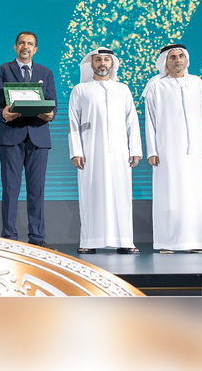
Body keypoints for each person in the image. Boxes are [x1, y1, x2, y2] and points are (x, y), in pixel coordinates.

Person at [68, 47, 141, 254]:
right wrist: (76, 151)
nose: (102, 63)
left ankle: (125, 241)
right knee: (91, 193)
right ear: (91, 64)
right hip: (90, 152)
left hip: (120, 152)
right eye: (98, 59)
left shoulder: (123, 89)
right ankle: (89, 241)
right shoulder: (80, 90)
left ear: (112, 63)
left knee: (122, 194)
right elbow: (73, 122)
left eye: (106, 60)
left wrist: (135, 149)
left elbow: (132, 120)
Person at [0, 31, 57, 248]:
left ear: (35, 49)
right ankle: (9, 238)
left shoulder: (45, 73)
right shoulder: (2, 70)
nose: (25, 47)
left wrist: (50, 114)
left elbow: (52, 103)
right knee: (10, 189)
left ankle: (37, 238)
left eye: (29, 44)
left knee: (37, 190)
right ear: (15, 47)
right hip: (11, 135)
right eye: (21, 43)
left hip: (38, 136)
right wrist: (3, 114)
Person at [143, 44, 202, 253]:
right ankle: (168, 243)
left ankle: (198, 242)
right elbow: (150, 120)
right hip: (167, 150)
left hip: (196, 150)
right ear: (165, 61)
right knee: (171, 193)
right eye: (172, 57)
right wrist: (152, 151)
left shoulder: (196, 83)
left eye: (181, 56)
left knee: (196, 194)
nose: (177, 60)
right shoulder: (156, 85)